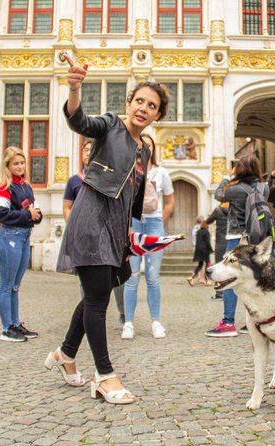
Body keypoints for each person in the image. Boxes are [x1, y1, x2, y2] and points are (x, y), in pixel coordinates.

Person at [47, 53, 169, 405]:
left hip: (116, 227)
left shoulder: (144, 149)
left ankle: (66, 354)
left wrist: (133, 236)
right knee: (99, 301)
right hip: (91, 216)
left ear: (157, 115)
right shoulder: (110, 125)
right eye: (139, 101)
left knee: (94, 294)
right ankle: (104, 376)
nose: (143, 108)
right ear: (128, 103)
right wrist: (74, 88)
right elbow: (79, 120)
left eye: (152, 105)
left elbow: (133, 195)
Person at [63, 140, 126, 325]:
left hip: (107, 236)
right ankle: (91, 316)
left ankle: (123, 312)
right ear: (82, 154)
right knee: (86, 280)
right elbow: (67, 207)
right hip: (85, 238)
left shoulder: (108, 177)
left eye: (93, 150)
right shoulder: (75, 180)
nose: (89, 153)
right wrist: (75, 227)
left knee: (115, 278)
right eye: (86, 150)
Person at [205, 154, 265, 337]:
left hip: (236, 238)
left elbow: (217, 194)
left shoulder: (234, 188)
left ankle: (228, 322)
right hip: (257, 237)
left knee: (228, 279)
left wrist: (226, 177)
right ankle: (255, 321)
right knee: (253, 279)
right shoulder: (264, 187)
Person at [121, 133, 175, 340]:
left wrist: (161, 220)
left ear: (153, 149)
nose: (145, 148)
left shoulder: (162, 173)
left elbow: (170, 200)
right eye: (140, 145)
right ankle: (128, 323)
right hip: (133, 225)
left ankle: (155, 322)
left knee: (153, 277)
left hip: (153, 224)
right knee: (131, 277)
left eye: (148, 145)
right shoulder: (128, 171)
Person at [0, 146, 42, 342]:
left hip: (23, 236)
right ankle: (7, 328)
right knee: (6, 285)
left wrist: (33, 215)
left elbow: (37, 213)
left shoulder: (26, 186)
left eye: (22, 163)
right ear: (8, 166)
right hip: (9, 237)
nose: (20, 166)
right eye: (16, 163)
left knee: (15, 286)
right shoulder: (4, 187)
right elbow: (2, 214)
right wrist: (27, 214)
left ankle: (15, 323)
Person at [206, 202, 229, 299]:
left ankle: (220, 293)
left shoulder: (218, 210)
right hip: (231, 241)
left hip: (220, 242)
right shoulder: (234, 209)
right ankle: (229, 293)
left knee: (218, 266)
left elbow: (208, 221)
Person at [188, 219, 214, 287]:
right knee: (208, 264)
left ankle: (191, 277)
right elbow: (207, 242)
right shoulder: (206, 232)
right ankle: (207, 280)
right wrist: (211, 250)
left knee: (200, 265)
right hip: (205, 250)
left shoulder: (198, 232)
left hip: (198, 250)